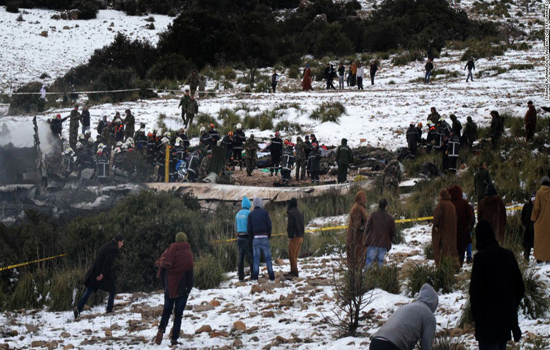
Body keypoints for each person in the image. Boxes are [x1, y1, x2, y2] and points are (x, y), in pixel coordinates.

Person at [470, 220, 525, 350]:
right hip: (505, 324)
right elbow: (520, 288)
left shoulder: (480, 259)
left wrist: (477, 318)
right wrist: (510, 309)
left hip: (486, 326)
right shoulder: (508, 255)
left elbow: (475, 293)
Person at [369, 283, 438, 350]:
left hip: (376, 341)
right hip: (393, 345)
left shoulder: (407, 306)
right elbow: (426, 346)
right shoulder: (429, 315)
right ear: (434, 303)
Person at [154, 232, 194, 346]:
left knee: (166, 310)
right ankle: (174, 339)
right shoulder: (188, 254)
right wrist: (189, 289)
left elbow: (163, 270)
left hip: (169, 288)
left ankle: (161, 329)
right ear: (185, 240)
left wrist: (165, 286)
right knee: (178, 314)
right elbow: (190, 274)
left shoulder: (169, 251)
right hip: (182, 289)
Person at [74, 235, 124, 318]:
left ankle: (78, 309)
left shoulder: (107, 244)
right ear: (119, 242)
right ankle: (109, 309)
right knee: (112, 288)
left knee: (89, 290)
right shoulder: (114, 249)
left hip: (95, 270)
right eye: (122, 242)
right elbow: (107, 262)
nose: (122, 244)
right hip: (102, 271)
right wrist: (102, 274)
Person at [247, 198, 274, 281]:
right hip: (265, 237)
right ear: (261, 204)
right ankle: (271, 276)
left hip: (255, 238)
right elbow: (269, 225)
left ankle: (255, 277)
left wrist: (252, 238)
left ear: (254, 204)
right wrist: (268, 235)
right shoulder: (265, 213)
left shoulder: (251, 215)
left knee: (256, 259)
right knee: (268, 258)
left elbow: (249, 229)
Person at [363, 199, 395, 269]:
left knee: (369, 261)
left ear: (379, 206)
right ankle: (379, 277)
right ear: (386, 206)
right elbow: (392, 232)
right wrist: (390, 241)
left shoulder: (373, 215)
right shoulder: (390, 218)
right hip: (384, 243)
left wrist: (368, 237)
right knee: (380, 261)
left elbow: (367, 227)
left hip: (373, 242)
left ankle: (367, 278)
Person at [432, 189, 459, 268]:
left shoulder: (441, 204)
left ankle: (441, 266)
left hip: (442, 231)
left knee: (441, 248)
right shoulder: (452, 205)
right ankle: (453, 265)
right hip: (452, 231)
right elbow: (456, 218)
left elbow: (436, 217)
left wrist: (435, 225)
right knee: (451, 249)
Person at [448, 186, 474, 266]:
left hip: (452, 230)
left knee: (453, 247)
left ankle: (454, 264)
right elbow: (470, 215)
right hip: (463, 229)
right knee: (462, 247)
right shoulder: (464, 203)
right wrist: (468, 224)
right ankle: (461, 262)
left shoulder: (449, 203)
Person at [346, 190, 368, 270]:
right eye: (364, 197)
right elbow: (357, 223)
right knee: (356, 257)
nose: (365, 199)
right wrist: (365, 228)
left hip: (358, 238)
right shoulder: (357, 208)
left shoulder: (359, 207)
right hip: (356, 238)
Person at [531, 176, 550, 263]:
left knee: (540, 241)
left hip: (541, 221)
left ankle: (540, 259)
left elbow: (536, 208)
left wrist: (534, 219)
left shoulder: (539, 193)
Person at [235, 197, 253, 281]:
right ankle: (253, 275)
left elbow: (235, 227)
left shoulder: (238, 214)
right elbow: (251, 225)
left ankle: (241, 277)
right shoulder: (249, 213)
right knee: (251, 256)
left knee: (240, 257)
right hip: (247, 237)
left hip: (239, 237)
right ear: (248, 204)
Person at [286, 198, 304, 278]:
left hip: (295, 236)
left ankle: (294, 272)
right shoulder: (300, 212)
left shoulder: (291, 213)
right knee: (295, 255)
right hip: (301, 236)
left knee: (292, 255)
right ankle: (293, 270)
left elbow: (290, 225)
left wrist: (290, 236)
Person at [521, 192, 536, 261]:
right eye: (533, 199)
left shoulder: (539, 206)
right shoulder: (527, 206)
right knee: (527, 245)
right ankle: (526, 258)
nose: (534, 201)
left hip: (536, 228)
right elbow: (522, 216)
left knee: (536, 244)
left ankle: (539, 259)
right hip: (528, 228)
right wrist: (524, 223)